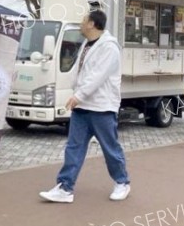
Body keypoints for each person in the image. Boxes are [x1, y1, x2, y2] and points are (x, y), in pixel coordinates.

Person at [39, 10, 130, 203]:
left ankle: (122, 182)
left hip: (102, 107)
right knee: (74, 147)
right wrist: (76, 91)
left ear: (92, 24)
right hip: (83, 106)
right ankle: (65, 188)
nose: (80, 23)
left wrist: (78, 95)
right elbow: (81, 72)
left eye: (83, 20)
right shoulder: (86, 44)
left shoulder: (109, 47)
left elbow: (98, 76)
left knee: (110, 148)